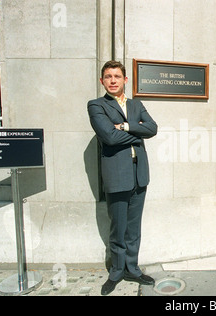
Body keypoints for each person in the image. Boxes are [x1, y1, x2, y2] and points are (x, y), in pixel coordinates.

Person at [87, 60, 158, 295]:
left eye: (117, 76)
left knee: (133, 227)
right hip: (117, 175)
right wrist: (138, 134)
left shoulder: (136, 105)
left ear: (125, 80)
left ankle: (132, 269)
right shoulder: (96, 106)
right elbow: (108, 137)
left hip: (139, 175)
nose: (113, 80)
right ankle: (117, 271)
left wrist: (126, 127)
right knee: (118, 227)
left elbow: (153, 128)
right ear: (102, 81)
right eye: (108, 76)